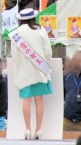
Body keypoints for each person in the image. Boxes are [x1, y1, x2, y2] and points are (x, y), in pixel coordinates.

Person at [10, 8, 53, 139]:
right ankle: (39, 130)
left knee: (26, 100)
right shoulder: (41, 30)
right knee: (39, 100)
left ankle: (27, 129)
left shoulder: (16, 33)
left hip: (24, 72)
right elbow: (48, 52)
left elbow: (14, 56)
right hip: (39, 70)